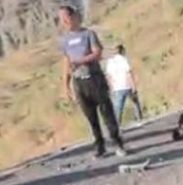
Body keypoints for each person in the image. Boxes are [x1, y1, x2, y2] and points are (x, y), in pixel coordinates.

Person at [58, 5, 127, 159]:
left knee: (107, 113)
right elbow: (66, 62)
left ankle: (117, 142)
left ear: (74, 16)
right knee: (91, 117)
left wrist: (81, 61)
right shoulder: (64, 41)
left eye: (66, 17)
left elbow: (97, 53)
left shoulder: (88, 34)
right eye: (61, 19)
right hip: (79, 82)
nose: (64, 21)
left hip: (94, 79)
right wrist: (65, 86)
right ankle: (99, 146)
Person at [105, 45, 143, 125]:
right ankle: (139, 119)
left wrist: (111, 87)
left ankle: (117, 124)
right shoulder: (123, 60)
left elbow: (108, 76)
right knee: (135, 103)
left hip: (117, 87)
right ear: (122, 51)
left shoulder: (110, 62)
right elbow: (128, 73)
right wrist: (133, 86)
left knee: (118, 107)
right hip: (127, 85)